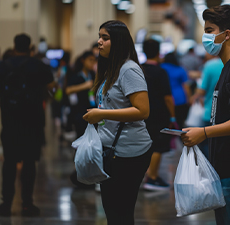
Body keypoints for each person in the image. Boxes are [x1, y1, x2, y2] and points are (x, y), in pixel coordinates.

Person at [181, 5, 230, 224]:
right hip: (227, 168)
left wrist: (205, 132)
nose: (205, 36)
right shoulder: (228, 66)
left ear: (226, 34)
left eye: (210, 30)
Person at [82, 20, 152, 225]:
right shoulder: (110, 70)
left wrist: (102, 115)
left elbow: (143, 110)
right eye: (99, 37)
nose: (99, 42)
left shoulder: (128, 69)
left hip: (130, 152)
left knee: (120, 212)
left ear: (119, 41)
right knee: (112, 211)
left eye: (105, 38)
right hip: (111, 150)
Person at [0, 33, 55, 217]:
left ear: (14, 45)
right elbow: (52, 88)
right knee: (29, 163)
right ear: (30, 47)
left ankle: (6, 204)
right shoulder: (39, 66)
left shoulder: (2, 67)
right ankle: (27, 204)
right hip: (32, 122)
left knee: (9, 163)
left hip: (10, 122)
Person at [141, 39, 176, 191]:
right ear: (157, 52)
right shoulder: (161, 72)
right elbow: (167, 97)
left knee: (145, 145)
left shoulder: (138, 69)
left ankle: (148, 174)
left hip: (141, 113)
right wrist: (172, 116)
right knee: (158, 145)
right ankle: (152, 177)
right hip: (158, 113)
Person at [190, 53, 223, 158]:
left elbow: (202, 90)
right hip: (229, 116)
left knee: (207, 144)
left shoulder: (209, 66)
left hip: (210, 112)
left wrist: (194, 95)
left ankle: (209, 171)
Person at [66, 51, 97, 138]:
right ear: (83, 60)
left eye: (94, 61)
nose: (92, 63)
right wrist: (85, 86)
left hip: (92, 109)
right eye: (90, 60)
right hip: (79, 111)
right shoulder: (76, 75)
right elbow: (68, 90)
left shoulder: (93, 74)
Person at [161, 52, 191, 129]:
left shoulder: (161, 68)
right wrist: (189, 99)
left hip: (164, 99)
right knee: (179, 122)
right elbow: (186, 86)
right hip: (180, 99)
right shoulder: (180, 69)